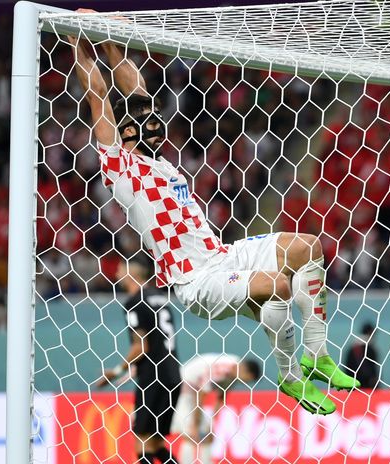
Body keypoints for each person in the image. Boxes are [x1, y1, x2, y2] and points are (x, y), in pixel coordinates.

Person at [71, 18, 357, 415]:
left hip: (223, 255)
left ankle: (318, 356)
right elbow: (98, 93)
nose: (154, 129)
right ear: (124, 135)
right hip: (195, 280)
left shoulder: (163, 165)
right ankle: (291, 377)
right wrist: (78, 38)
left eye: (154, 122)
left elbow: (133, 88)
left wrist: (111, 39)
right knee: (275, 286)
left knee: (306, 248)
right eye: (142, 126)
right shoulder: (120, 169)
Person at [97, 258, 181, 464]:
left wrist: (116, 371)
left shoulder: (134, 301)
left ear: (131, 274)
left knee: (141, 443)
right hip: (172, 376)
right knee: (156, 444)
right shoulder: (159, 297)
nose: (116, 274)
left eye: (120, 270)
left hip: (153, 377)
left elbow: (141, 346)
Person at [171, 354, 261, 464]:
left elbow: (221, 395)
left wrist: (211, 423)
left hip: (195, 391)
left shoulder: (234, 372)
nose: (245, 383)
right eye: (247, 380)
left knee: (207, 435)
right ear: (246, 372)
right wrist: (195, 423)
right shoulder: (222, 368)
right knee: (190, 433)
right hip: (183, 386)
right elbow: (201, 395)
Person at [344, 323, 379, 389]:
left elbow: (346, 367)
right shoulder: (370, 348)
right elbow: (373, 369)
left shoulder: (352, 348)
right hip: (368, 387)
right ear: (371, 332)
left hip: (352, 385)